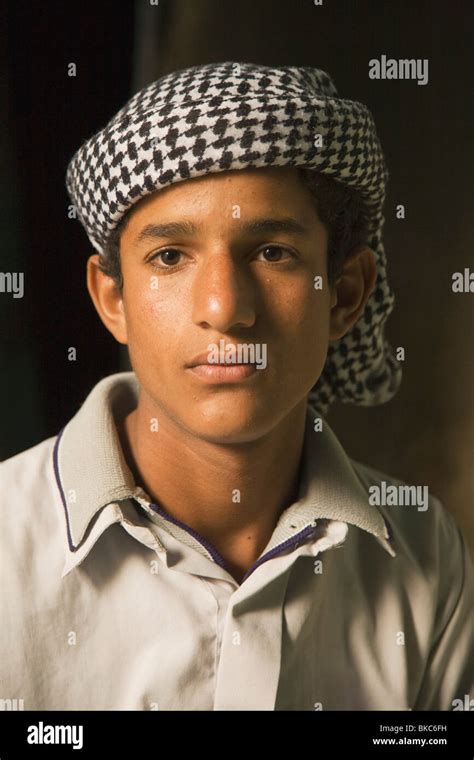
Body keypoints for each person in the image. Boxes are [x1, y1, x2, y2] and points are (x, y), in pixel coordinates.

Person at [1, 61, 472, 711]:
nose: (224, 308)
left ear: (343, 294)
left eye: (272, 251)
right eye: (170, 256)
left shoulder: (425, 553)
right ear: (113, 299)